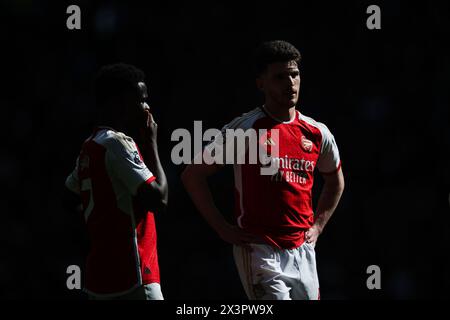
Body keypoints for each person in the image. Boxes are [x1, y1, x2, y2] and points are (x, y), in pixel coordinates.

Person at [181, 41, 344, 300]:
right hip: (260, 249)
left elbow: (335, 182)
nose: (290, 83)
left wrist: (319, 225)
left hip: (303, 249)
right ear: (261, 84)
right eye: (280, 77)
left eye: (294, 74)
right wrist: (221, 228)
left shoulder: (317, 132)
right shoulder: (245, 129)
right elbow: (193, 174)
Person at [65, 63, 168, 300]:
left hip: (99, 283)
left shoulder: (89, 148)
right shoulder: (118, 143)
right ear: (120, 102)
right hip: (135, 279)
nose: (147, 107)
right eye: (140, 100)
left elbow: (68, 197)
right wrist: (153, 144)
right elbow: (159, 199)